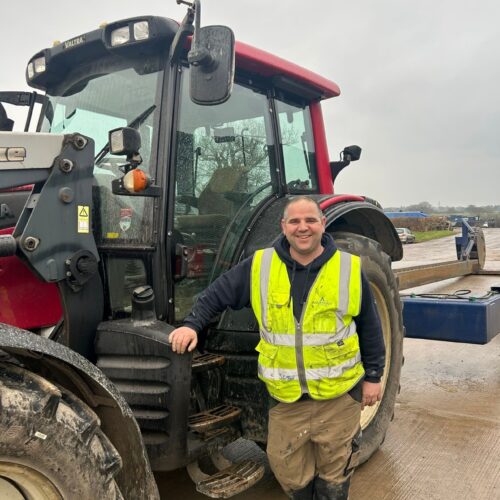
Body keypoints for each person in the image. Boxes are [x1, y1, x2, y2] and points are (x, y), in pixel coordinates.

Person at [169, 196, 385, 500]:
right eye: (295, 221)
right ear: (283, 227)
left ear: (323, 224)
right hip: (287, 400)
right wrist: (192, 324)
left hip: (337, 400)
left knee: (334, 477)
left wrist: (374, 376)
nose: (303, 228)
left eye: (310, 220)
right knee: (289, 473)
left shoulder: (348, 269)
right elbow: (216, 294)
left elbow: (370, 327)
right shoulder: (261, 265)